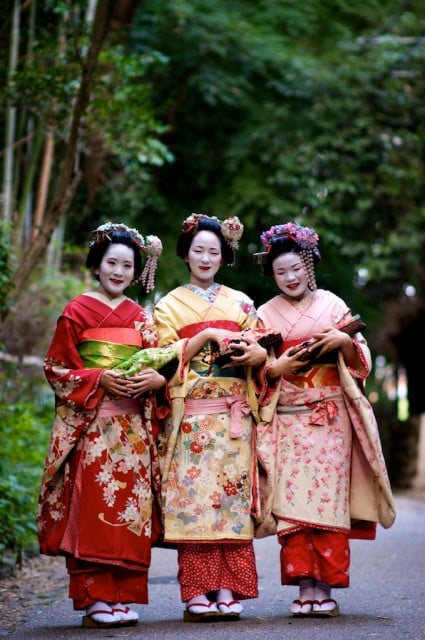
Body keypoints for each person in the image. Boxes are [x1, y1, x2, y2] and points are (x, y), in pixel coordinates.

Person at [254, 221, 396, 618]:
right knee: (294, 505)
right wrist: (275, 366)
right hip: (288, 417)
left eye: (296, 269)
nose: (290, 278)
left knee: (327, 504)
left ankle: (326, 585)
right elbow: (257, 367)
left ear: (309, 265)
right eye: (280, 272)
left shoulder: (333, 305)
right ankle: (304, 586)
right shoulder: (265, 313)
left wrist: (344, 342)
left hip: (331, 418)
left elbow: (360, 354)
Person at [37, 222, 169, 629]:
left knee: (131, 511)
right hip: (93, 428)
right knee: (93, 508)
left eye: (127, 266)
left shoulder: (140, 317)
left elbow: (160, 361)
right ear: (97, 265)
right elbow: (56, 368)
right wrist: (98, 378)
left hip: (132, 428)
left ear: (136, 271)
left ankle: (123, 596)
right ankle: (95, 597)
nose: (119, 272)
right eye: (112, 262)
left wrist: (156, 381)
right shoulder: (76, 311)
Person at [153, 213, 274, 622]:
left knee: (232, 501)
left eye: (214, 251)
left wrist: (255, 353)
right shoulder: (168, 305)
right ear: (186, 254)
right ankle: (197, 591)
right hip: (191, 418)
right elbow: (162, 358)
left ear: (224, 256)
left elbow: (261, 346)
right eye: (198, 250)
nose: (206, 257)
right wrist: (203, 338)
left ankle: (229, 588)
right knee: (195, 502)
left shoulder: (241, 302)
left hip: (234, 413)